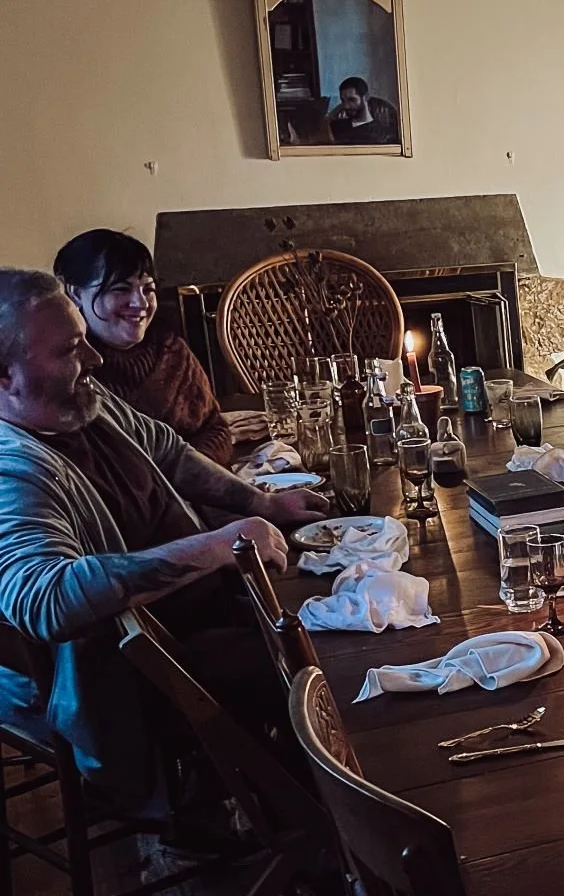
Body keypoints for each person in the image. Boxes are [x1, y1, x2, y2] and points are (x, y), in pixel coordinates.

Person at [0, 270, 328, 815]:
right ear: (4, 374)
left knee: (333, 618)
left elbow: (168, 452)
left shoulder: (80, 401)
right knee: (314, 669)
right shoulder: (13, 470)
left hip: (199, 621)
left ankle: (301, 801)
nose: (95, 359)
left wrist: (263, 504)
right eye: (69, 349)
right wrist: (219, 547)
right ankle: (318, 826)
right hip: (133, 682)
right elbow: (45, 597)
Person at [53, 228, 233, 464]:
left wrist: (194, 472)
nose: (141, 303)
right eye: (121, 289)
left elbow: (214, 428)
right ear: (76, 294)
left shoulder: (171, 350)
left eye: (148, 289)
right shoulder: (64, 371)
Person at [327, 75, 400, 146]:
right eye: (343, 100)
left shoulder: (380, 133)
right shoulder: (336, 125)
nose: (346, 106)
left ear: (366, 97)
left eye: (352, 100)